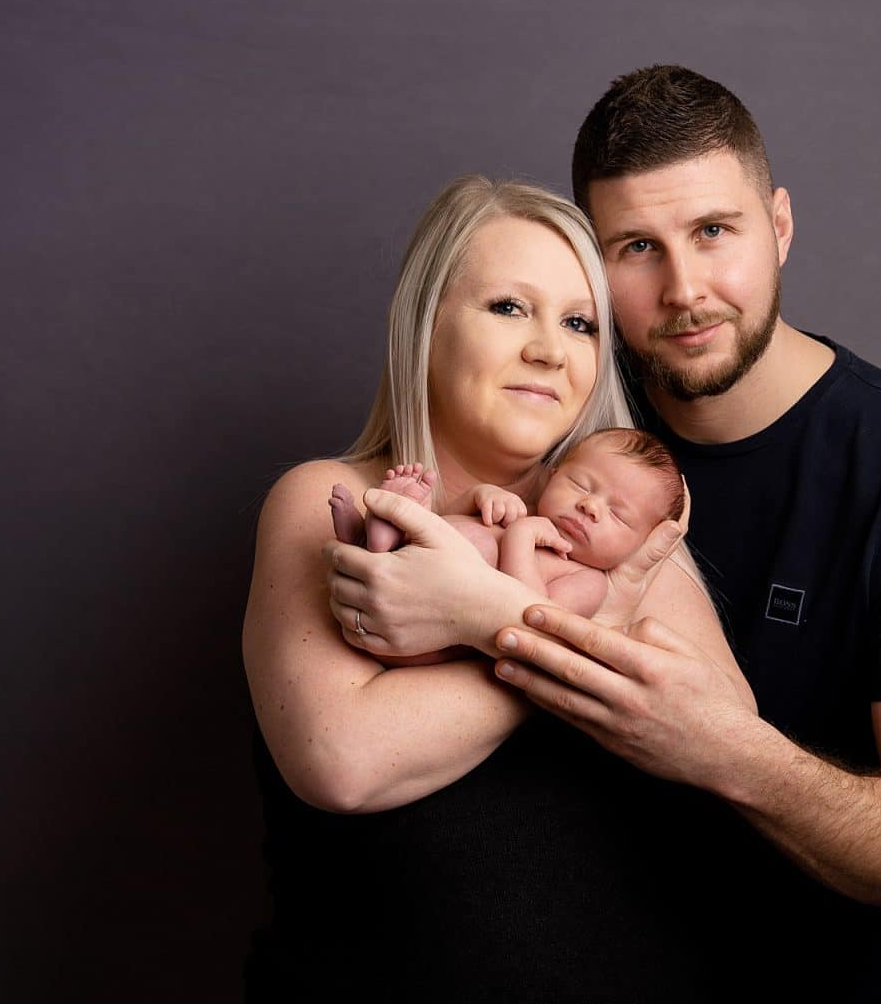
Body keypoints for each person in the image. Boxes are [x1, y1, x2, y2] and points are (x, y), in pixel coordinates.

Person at [335, 65, 881, 1002]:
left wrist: (727, 748)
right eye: (635, 248)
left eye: (713, 232)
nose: (685, 288)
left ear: (778, 224)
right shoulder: (554, 399)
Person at [242, 175, 752, 1001]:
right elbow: (345, 761)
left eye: (580, 322)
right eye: (509, 308)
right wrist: (597, 621)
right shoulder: (319, 497)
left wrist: (482, 614)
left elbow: (727, 742)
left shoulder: (612, 524)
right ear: (426, 320)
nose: (551, 349)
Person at [327, 426, 687, 626]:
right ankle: (377, 535)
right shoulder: (527, 509)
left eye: (618, 516)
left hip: (428, 624)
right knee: (440, 525)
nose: (589, 506)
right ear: (554, 475)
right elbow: (457, 517)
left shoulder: (588, 582)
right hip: (409, 569)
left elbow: (530, 617)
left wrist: (520, 537)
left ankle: (380, 537)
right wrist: (480, 496)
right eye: (580, 485)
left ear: (640, 545)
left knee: (456, 546)